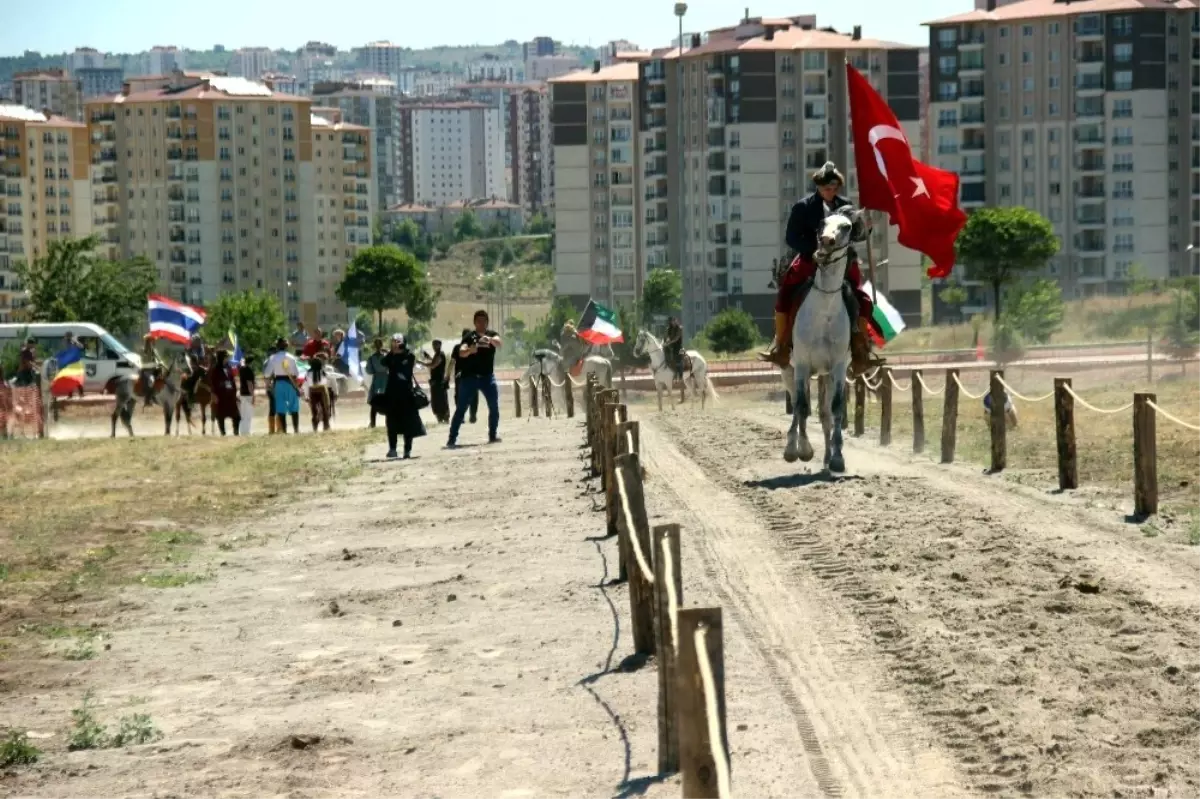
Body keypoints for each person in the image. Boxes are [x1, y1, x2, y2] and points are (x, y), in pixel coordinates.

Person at [760, 161, 877, 374]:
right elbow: (791, 237)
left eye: (833, 188)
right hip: (809, 260)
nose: (830, 192)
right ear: (818, 187)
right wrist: (812, 250)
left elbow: (857, 234)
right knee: (784, 296)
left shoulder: (847, 207)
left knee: (864, 299)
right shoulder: (803, 208)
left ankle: (861, 350)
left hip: (841, 263)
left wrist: (866, 229)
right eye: (826, 188)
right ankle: (782, 347)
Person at [447, 309, 502, 448]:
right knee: (461, 409)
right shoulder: (469, 337)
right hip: (469, 378)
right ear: (474, 322)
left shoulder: (492, 334)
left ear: (487, 322)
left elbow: (499, 342)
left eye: (484, 321)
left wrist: (489, 340)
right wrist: (472, 349)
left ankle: (493, 434)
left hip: (487, 378)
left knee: (494, 406)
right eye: (479, 321)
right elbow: (461, 352)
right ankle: (452, 438)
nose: (481, 323)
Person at [381, 333, 426, 459]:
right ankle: (392, 449)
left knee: (408, 423)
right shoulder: (391, 356)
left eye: (398, 342)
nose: (397, 344)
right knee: (391, 422)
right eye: (394, 342)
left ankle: (407, 450)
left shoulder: (409, 355)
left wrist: (399, 353)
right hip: (392, 394)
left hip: (406, 394)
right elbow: (383, 362)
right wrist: (392, 352)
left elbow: (405, 370)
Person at [264, 337, 301, 434]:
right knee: (294, 406)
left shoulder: (273, 358)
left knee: (280, 407)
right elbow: (296, 373)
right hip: (290, 383)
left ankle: (284, 431)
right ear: (286, 346)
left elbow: (267, 374)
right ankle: (296, 430)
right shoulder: (291, 357)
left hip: (279, 384)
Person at [207, 349, 241, 436]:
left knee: (236, 416)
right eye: (226, 357)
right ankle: (223, 433)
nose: (227, 359)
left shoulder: (228, 368)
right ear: (221, 358)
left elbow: (232, 380)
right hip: (220, 395)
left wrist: (235, 393)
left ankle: (236, 432)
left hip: (230, 394)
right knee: (220, 415)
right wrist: (213, 394)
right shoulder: (215, 370)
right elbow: (212, 382)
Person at [449, 332, 479, 425]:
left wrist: (447, 375)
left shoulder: (458, 347)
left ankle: (461, 416)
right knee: (473, 395)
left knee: (459, 395)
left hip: (460, 375)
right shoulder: (475, 348)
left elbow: (452, 362)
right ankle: (472, 415)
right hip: (472, 375)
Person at [420, 340, 450, 424]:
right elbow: (434, 362)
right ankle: (440, 417)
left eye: (436, 345)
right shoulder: (438, 354)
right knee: (437, 400)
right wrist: (428, 357)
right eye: (433, 345)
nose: (434, 346)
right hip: (435, 381)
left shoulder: (440, 354)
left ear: (439, 345)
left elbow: (433, 365)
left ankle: (444, 417)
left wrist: (421, 363)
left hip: (438, 382)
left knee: (440, 400)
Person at [306, 353, 333, 432]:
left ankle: (315, 427)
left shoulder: (308, 373)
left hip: (312, 392)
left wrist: (307, 395)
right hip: (322, 391)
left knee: (314, 410)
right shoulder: (323, 372)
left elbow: (306, 384)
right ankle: (326, 426)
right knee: (325, 409)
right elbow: (331, 376)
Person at [365, 338, 388, 429]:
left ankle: (373, 423)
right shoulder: (386, 356)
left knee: (374, 402)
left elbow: (369, 370)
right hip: (386, 379)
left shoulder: (371, 358)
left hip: (377, 380)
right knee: (387, 401)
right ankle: (388, 422)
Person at [139, 335, 164, 407]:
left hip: (154, 370)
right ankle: (148, 399)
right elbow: (145, 361)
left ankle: (157, 395)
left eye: (154, 340)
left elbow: (159, 359)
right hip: (146, 370)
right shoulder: (144, 350)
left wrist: (161, 362)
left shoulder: (154, 350)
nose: (154, 341)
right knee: (151, 380)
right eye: (152, 340)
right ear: (148, 341)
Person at [238, 351, 256, 435]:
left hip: (242, 393)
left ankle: (242, 431)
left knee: (243, 414)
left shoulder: (241, 369)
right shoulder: (249, 370)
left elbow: (241, 363)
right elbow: (249, 384)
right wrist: (253, 396)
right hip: (248, 394)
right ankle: (247, 431)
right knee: (248, 414)